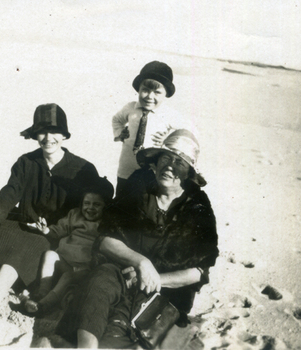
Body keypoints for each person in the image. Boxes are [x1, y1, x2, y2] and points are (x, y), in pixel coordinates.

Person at [0, 103, 100, 326]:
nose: (48, 138)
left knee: (24, 247)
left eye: (54, 131)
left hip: (53, 236)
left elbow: (98, 201)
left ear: (64, 134)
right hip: (22, 223)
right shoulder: (26, 162)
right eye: (42, 131)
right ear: (35, 135)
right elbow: (9, 192)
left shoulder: (83, 169)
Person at [55, 129, 218, 348]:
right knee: (98, 285)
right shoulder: (138, 186)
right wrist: (141, 262)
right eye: (166, 158)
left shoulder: (197, 205)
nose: (170, 166)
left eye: (179, 162)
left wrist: (155, 278)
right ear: (157, 160)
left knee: (120, 331)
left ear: (188, 172)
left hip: (165, 290)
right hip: (121, 273)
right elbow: (105, 239)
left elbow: (199, 271)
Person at [22, 177, 114, 314]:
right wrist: (46, 230)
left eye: (97, 204)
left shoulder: (106, 224)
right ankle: (42, 292)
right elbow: (58, 231)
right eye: (86, 203)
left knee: (68, 277)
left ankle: (44, 305)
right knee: (50, 254)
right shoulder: (74, 215)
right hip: (64, 261)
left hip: (85, 268)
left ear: (105, 206)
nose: (90, 208)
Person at [112, 61, 195, 199]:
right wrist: (120, 133)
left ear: (165, 94)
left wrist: (170, 140)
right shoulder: (131, 108)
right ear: (138, 89)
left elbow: (189, 132)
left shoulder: (170, 115)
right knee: (122, 197)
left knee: (148, 199)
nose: (150, 96)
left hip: (153, 169)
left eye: (157, 92)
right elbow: (117, 119)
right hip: (127, 166)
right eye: (145, 90)